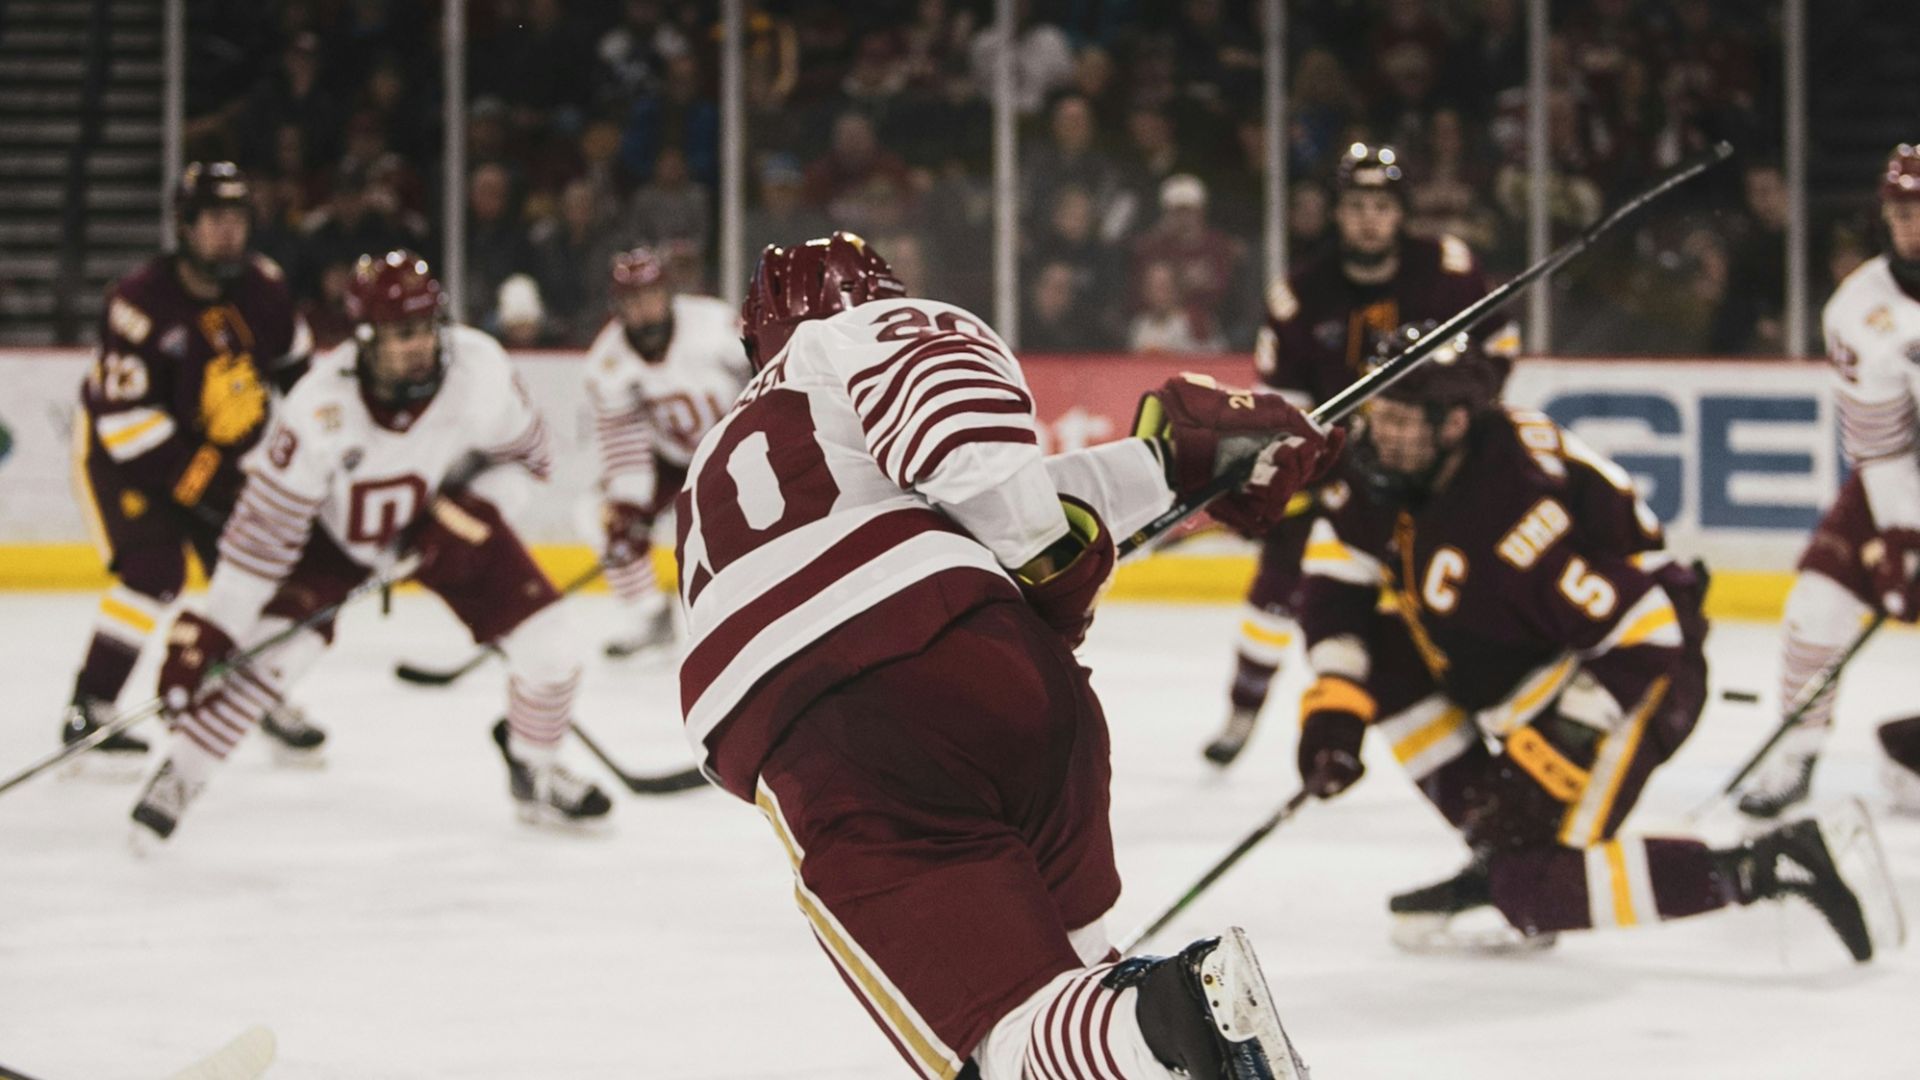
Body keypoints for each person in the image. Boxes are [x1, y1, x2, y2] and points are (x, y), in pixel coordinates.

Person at [673, 233, 1340, 1078]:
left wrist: (1048, 553)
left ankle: (1180, 1015)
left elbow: (990, 489)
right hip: (1015, 681)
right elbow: (996, 490)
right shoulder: (860, 373)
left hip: (840, 734)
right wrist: (1171, 470)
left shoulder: (758, 421)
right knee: (1071, 987)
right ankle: (1149, 1025)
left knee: (999, 1039)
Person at [1292, 326, 1900, 962]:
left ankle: (1774, 865)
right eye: (1376, 411)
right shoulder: (1395, 467)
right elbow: (1338, 579)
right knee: (1383, 656)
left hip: (1637, 678)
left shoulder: (1511, 516)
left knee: (1536, 891)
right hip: (1535, 662)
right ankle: (1503, 850)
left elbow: (1644, 634)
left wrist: (1550, 761)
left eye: (1398, 418)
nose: (1377, 432)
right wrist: (1335, 700)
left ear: (1453, 424)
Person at [131, 250, 611, 842]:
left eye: (425, 328)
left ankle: (535, 768)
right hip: (334, 543)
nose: (419, 345)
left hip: (440, 522)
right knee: (273, 655)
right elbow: (262, 543)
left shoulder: (478, 369)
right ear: (364, 338)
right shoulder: (317, 410)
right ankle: (181, 773)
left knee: (554, 647)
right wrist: (216, 631)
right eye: (399, 333)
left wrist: (474, 509)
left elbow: (531, 460)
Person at [1201, 141, 1517, 767]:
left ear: (1400, 212)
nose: (1369, 217)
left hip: (1432, 465)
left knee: (1468, 575)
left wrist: (1451, 427)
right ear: (1336, 213)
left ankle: (1498, 702)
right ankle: (1243, 708)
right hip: (1333, 468)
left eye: (1381, 204)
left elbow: (1498, 349)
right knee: (1277, 588)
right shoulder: (1300, 293)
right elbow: (1283, 406)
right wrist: (1282, 473)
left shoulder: (1448, 273)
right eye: (1356, 204)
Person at [64, 161, 322, 773]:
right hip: (120, 456)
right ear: (184, 225)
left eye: (237, 218)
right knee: (155, 574)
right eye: (214, 219)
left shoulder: (265, 288)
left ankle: (261, 693)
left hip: (216, 460)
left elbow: (304, 379)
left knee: (251, 576)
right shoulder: (137, 303)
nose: (228, 232)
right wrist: (211, 485)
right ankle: (89, 707)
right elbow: (127, 425)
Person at [1738, 144, 1920, 818]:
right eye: (1901, 210)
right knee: (1817, 599)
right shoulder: (1859, 308)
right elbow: (1879, 445)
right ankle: (1796, 754)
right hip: (1901, 476)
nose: (1911, 223)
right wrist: (1902, 535)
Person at [584, 247, 752, 657]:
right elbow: (624, 440)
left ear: (668, 293)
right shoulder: (607, 362)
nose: (643, 309)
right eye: (632, 301)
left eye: (650, 295)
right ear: (618, 306)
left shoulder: (714, 324)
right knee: (595, 513)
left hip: (735, 452)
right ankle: (650, 615)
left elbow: (765, 367)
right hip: (672, 462)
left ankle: (750, 615)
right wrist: (629, 507)